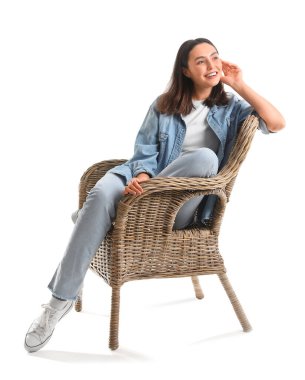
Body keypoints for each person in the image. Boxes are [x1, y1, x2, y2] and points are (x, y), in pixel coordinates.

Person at [24, 37, 285, 353]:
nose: (211, 65)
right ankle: (57, 303)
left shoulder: (231, 109)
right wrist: (142, 178)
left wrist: (240, 83)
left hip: (180, 202)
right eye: (200, 60)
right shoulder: (164, 105)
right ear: (186, 71)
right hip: (139, 181)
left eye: (214, 57)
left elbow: (276, 123)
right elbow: (144, 152)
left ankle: (98, 219)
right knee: (102, 190)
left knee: (205, 158)